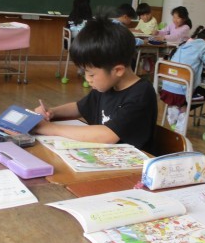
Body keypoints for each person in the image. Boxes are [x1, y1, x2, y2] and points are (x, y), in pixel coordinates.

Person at [33, 17, 157, 151]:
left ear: (118, 70)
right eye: (84, 72)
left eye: (91, 74)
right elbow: (79, 107)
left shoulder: (141, 94)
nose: (87, 79)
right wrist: (52, 112)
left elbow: (107, 135)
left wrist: (50, 128)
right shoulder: (108, 85)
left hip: (132, 161)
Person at [159, 26, 205, 131]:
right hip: (181, 93)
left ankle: (174, 108)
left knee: (192, 89)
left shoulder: (186, 43)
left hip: (166, 89)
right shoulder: (204, 46)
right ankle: (181, 110)